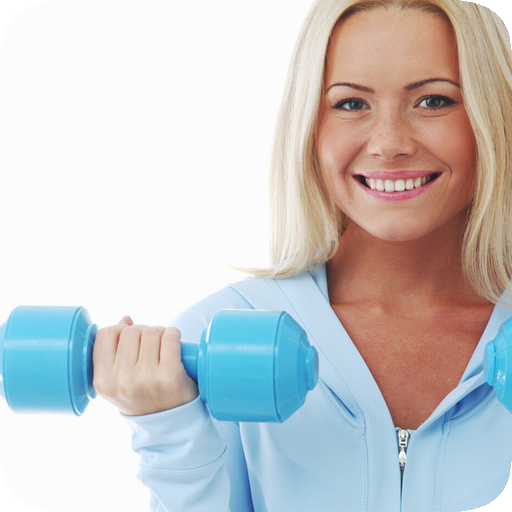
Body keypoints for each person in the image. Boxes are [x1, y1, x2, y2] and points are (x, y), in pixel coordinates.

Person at [92, 0, 512, 510]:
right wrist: (169, 433)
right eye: (351, 104)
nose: (389, 143)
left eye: (433, 101)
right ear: (311, 126)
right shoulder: (218, 332)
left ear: (495, 112)